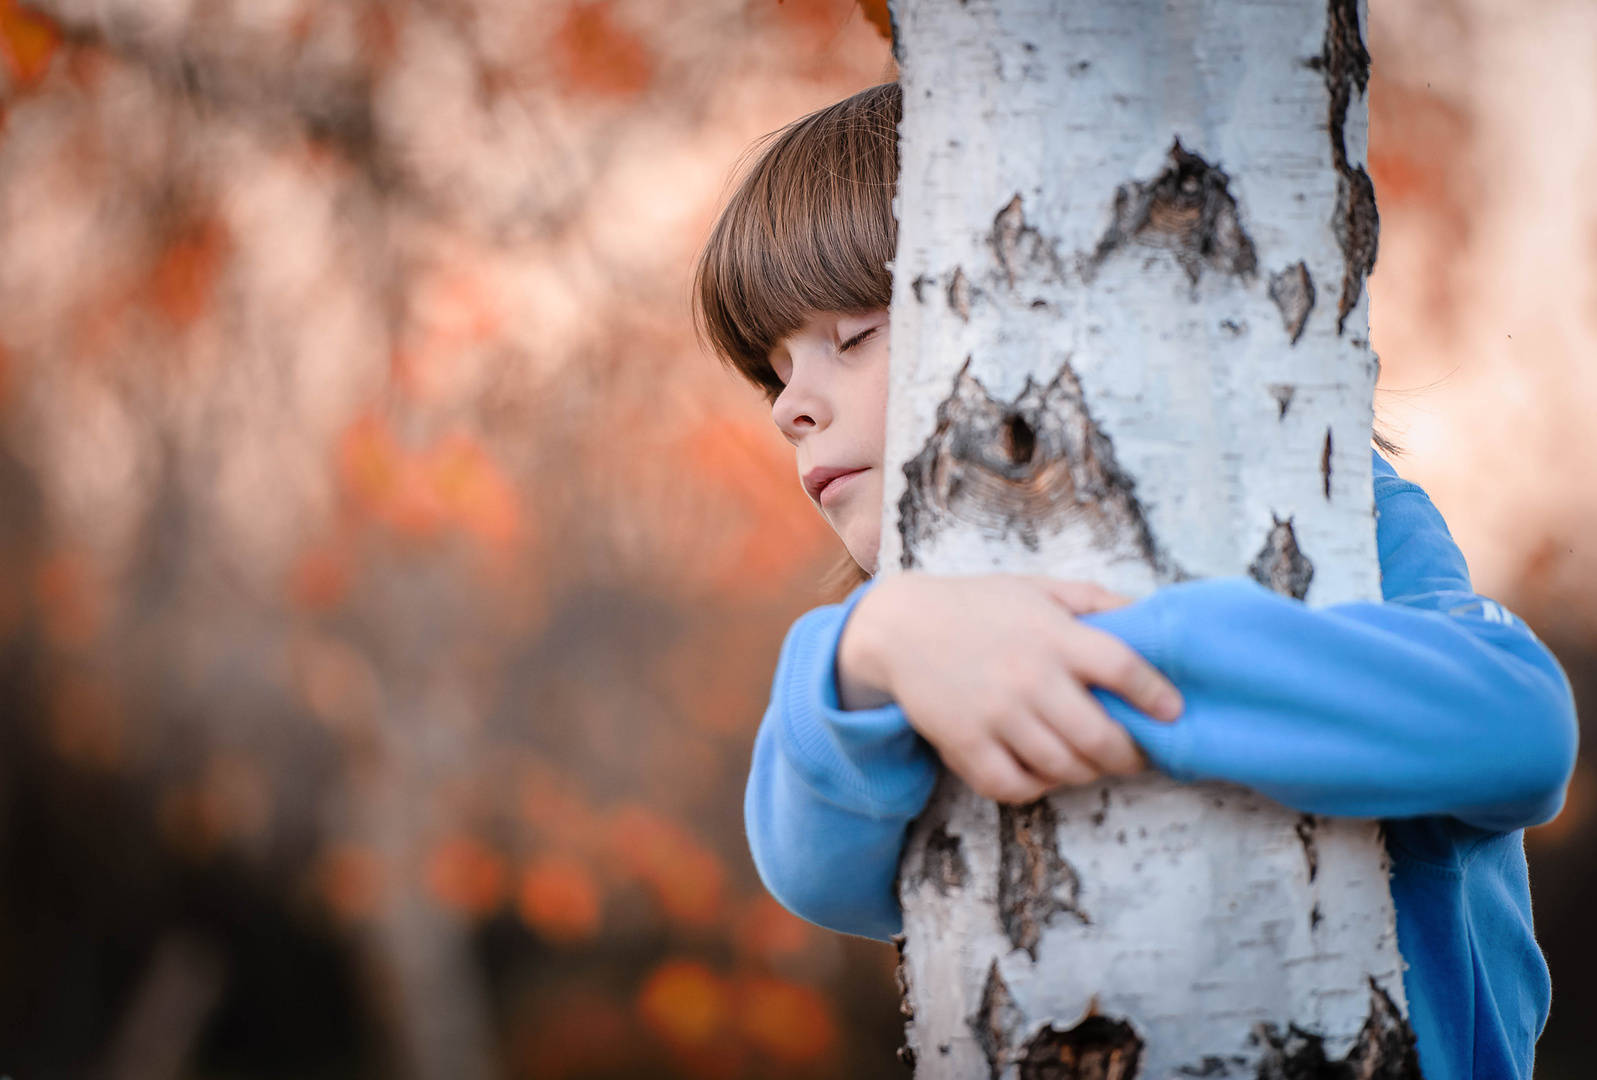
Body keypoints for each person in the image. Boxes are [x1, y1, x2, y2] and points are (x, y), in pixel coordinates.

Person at [694, 82, 1577, 1080]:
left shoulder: (1336, 512)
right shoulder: (908, 636)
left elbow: (1519, 728)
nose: (788, 409)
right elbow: (821, 874)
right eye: (774, 372)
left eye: (851, 335)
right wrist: (869, 649)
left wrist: (1104, 659)